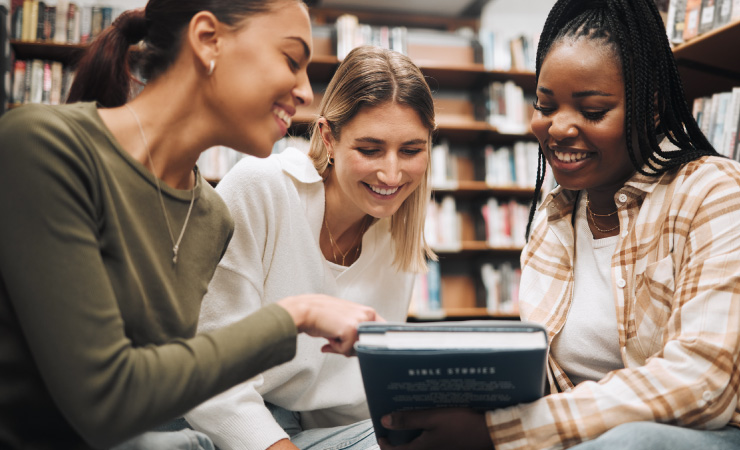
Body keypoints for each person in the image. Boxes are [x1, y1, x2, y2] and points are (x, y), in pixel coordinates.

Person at [0, 1, 385, 449]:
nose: (304, 92)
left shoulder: (210, 216)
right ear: (208, 40)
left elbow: (164, 387)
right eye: (291, 60)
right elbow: (107, 401)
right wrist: (294, 317)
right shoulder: (42, 147)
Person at [376, 0, 740, 449]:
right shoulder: (553, 218)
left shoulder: (714, 193)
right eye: (545, 105)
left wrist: (501, 431)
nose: (558, 128)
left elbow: (703, 384)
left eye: (591, 111)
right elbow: (542, 381)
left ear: (652, 107)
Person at [183, 45, 437, 450]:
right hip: (221, 420)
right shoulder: (262, 188)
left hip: (315, 431)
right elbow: (206, 370)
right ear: (327, 138)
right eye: (369, 149)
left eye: (411, 150)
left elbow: (350, 402)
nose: (391, 173)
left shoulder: (397, 238)